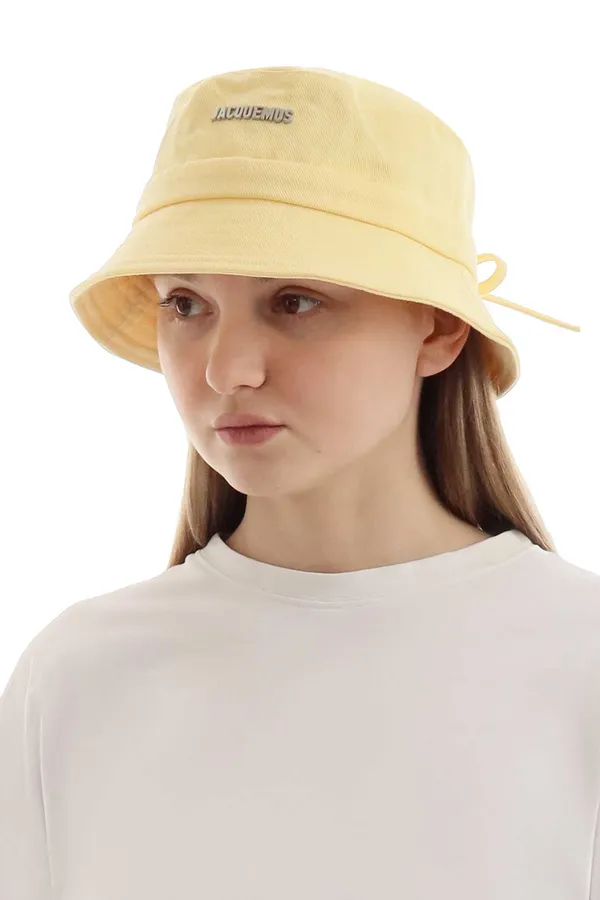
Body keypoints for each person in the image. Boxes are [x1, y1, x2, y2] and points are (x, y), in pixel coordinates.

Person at [1, 66, 597, 900]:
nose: (227, 370)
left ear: (439, 329)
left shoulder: (579, 659)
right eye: (185, 304)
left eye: (295, 301)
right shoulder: (77, 675)